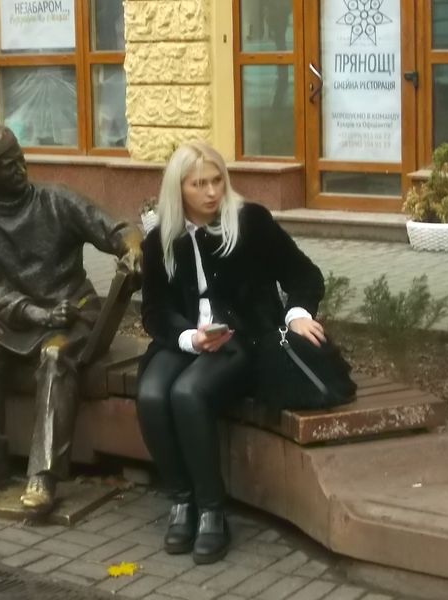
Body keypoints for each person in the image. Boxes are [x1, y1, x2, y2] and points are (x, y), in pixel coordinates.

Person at [137, 141, 326, 564]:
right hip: (186, 339)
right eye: (198, 183)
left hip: (246, 339)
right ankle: (181, 500)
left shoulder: (250, 222)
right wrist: (189, 337)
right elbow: (154, 312)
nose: (211, 191)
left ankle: (211, 512)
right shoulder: (160, 240)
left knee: (187, 394)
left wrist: (296, 313)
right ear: (178, 189)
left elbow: (305, 274)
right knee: (151, 393)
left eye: (216, 179)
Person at [0, 126, 142, 514]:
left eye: (19, 158)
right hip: (17, 320)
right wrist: (37, 313)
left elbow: (116, 230)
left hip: (74, 311)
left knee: (55, 357)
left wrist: (133, 249)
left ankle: (44, 474)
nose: (19, 168)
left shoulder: (56, 200)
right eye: (7, 166)